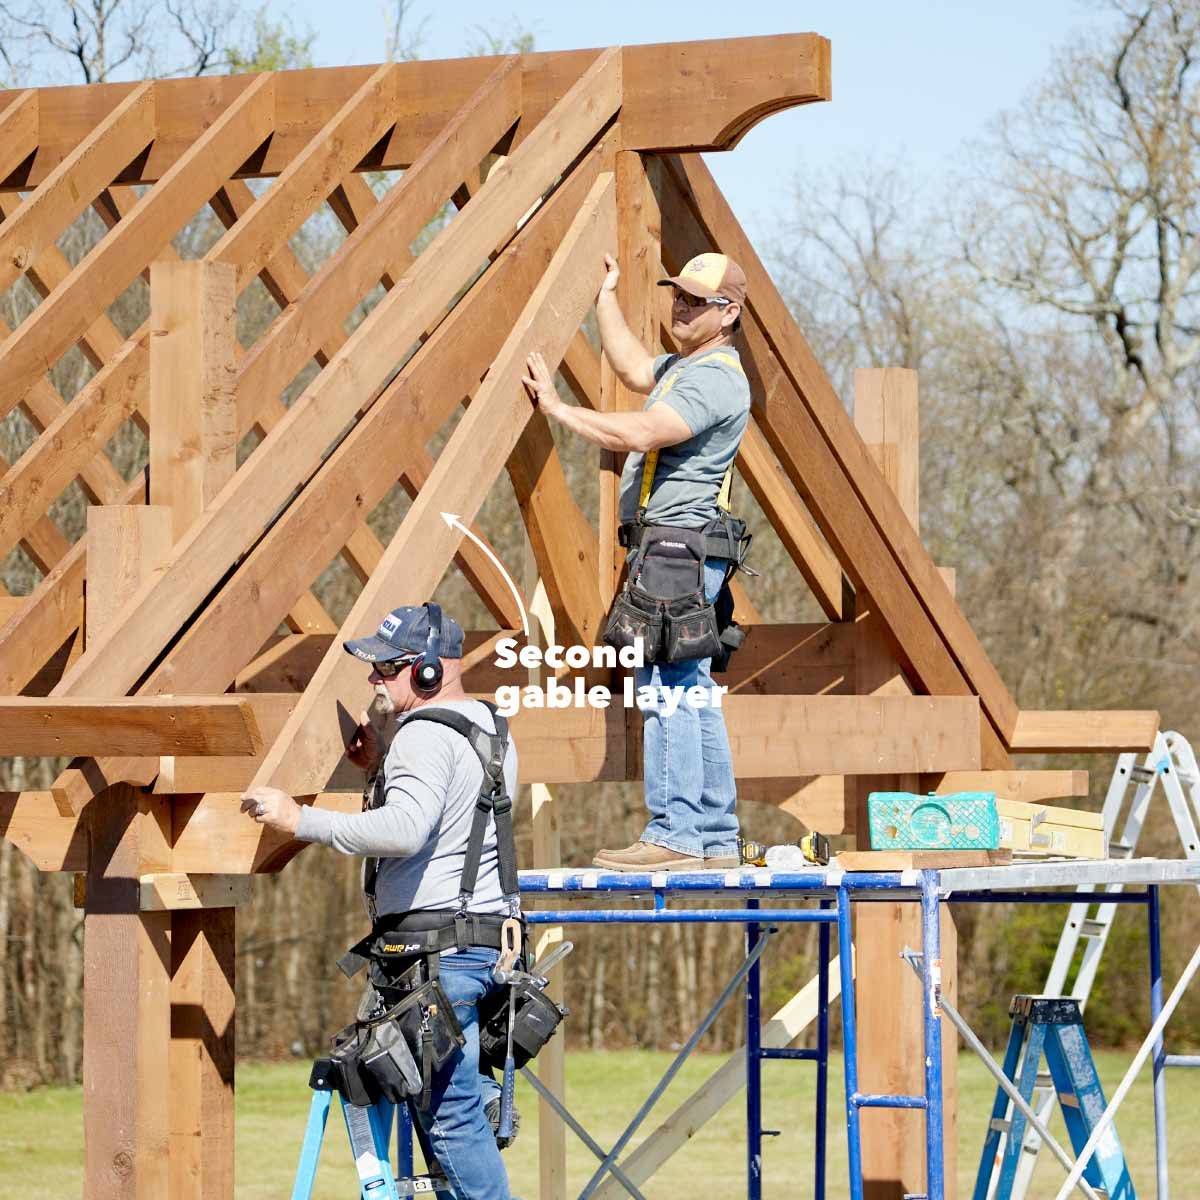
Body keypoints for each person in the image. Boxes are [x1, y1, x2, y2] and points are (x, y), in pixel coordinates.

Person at [242, 602, 519, 1200]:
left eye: (387, 669)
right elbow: (447, 816)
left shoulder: (423, 736)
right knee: (456, 1104)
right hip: (479, 949)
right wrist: (382, 756)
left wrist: (301, 819)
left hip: (436, 957)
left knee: (450, 1119)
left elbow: (404, 830)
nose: (374, 681)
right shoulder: (488, 728)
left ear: (427, 672)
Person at [522, 251, 752, 872]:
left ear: (728, 313)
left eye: (695, 301)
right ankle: (712, 835)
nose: (680, 306)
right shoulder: (687, 366)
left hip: (677, 548)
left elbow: (641, 433)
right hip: (679, 548)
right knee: (692, 690)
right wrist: (605, 295)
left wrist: (559, 411)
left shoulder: (714, 379)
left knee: (667, 690)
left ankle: (676, 834)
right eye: (677, 295)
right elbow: (630, 366)